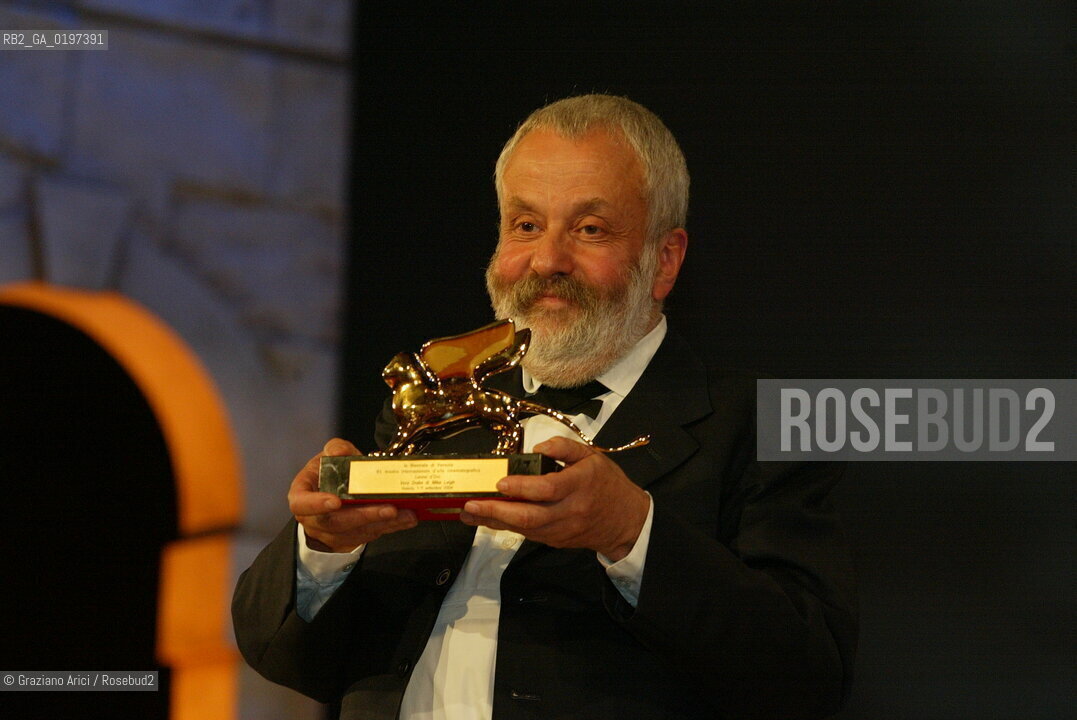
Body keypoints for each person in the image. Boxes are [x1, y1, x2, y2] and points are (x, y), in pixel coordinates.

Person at [233, 94, 857, 720]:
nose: (548, 261)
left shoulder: (760, 425)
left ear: (664, 260)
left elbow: (805, 675)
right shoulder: (432, 413)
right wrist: (324, 546)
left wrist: (630, 534)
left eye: (590, 229)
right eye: (526, 225)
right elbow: (280, 654)